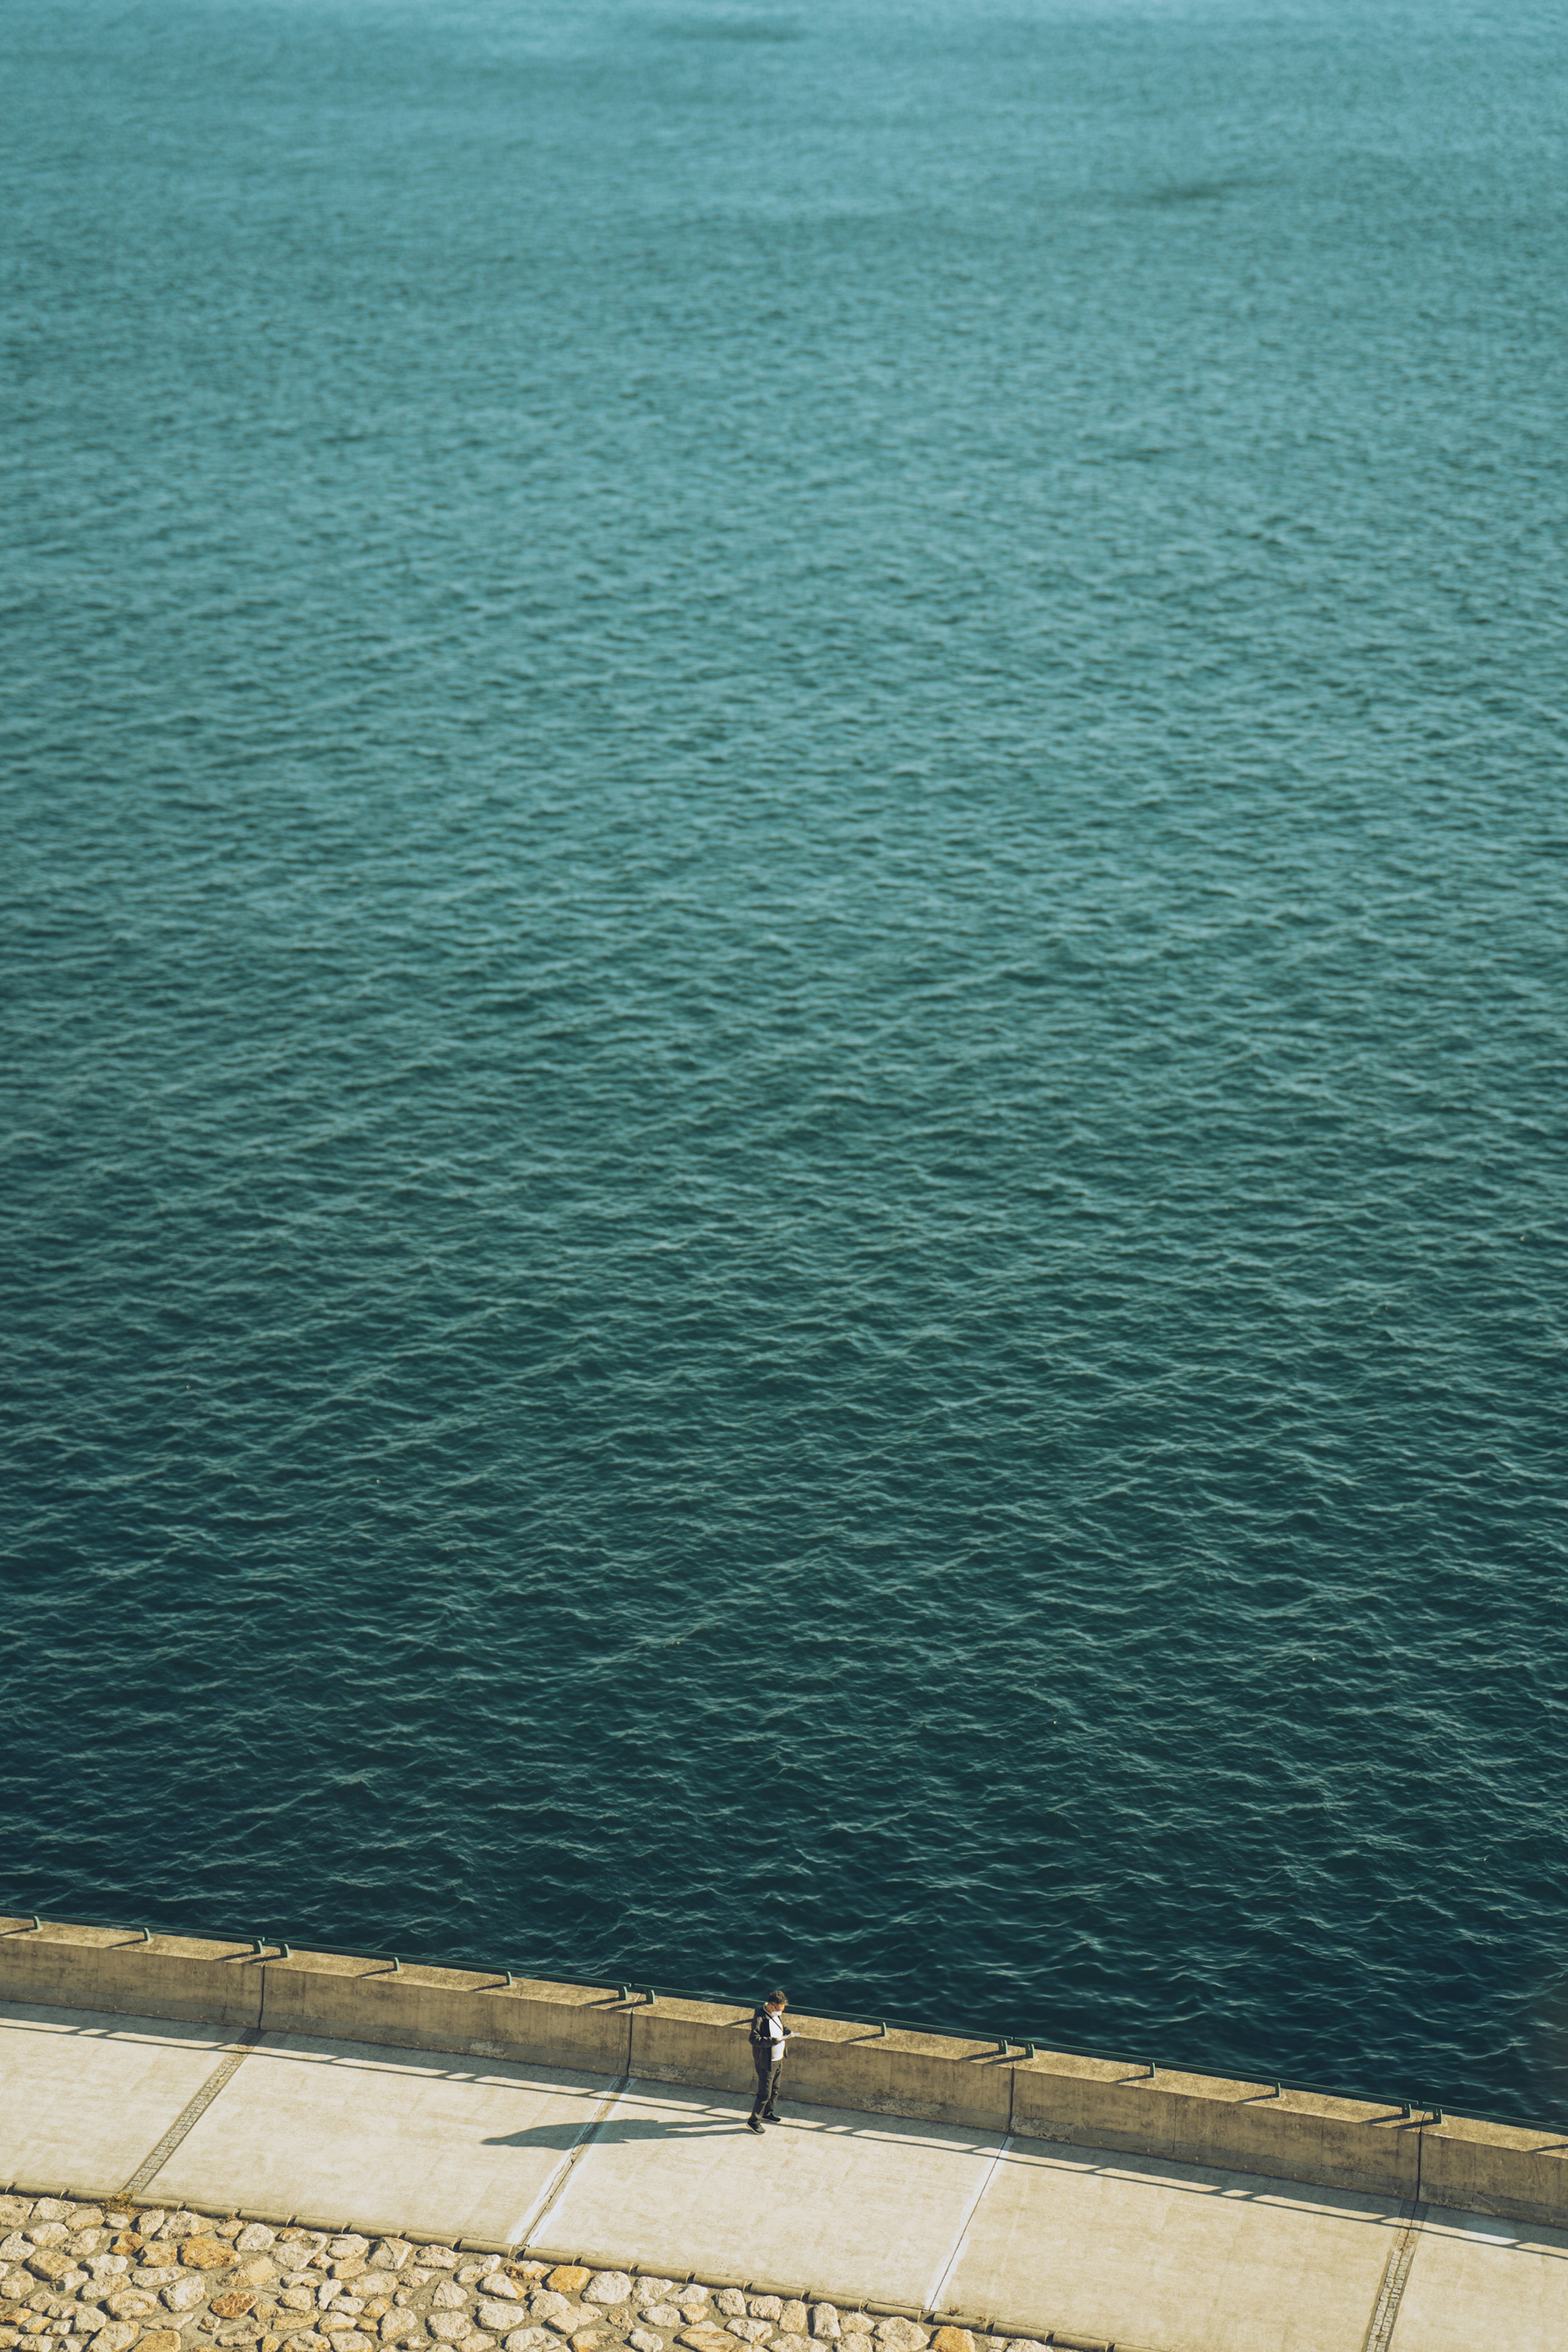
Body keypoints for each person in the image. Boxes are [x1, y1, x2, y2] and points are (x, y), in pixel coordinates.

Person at [748, 1987, 793, 2129]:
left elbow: (780, 2026)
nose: (781, 2012)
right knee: (764, 2093)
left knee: (775, 2089)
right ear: (772, 2006)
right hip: (767, 2062)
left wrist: (787, 2031)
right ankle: (754, 2121)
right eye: (780, 2009)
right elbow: (754, 2039)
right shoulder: (760, 2017)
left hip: (778, 2059)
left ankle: (768, 2112)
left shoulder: (776, 2014)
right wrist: (773, 2041)